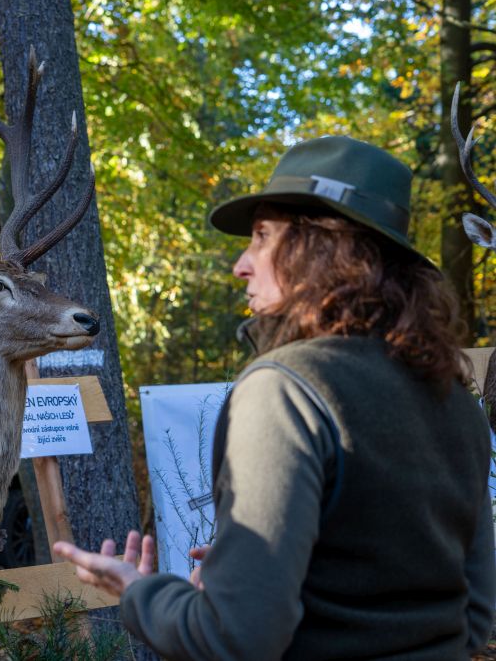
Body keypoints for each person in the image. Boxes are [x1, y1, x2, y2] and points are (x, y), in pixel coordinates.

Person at [54, 137, 496, 659]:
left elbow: (238, 637)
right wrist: (265, 574)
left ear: (323, 249)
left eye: (262, 236)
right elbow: (475, 615)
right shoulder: (456, 399)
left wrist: (142, 593)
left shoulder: (283, 392)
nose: (241, 265)